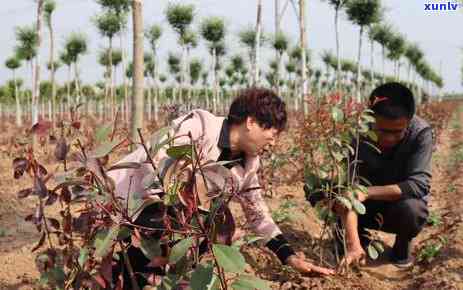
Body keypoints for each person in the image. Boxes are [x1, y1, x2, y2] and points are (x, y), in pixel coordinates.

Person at [109, 88, 334, 288]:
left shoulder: (248, 164)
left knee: (211, 224)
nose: (273, 143)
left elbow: (258, 214)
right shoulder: (200, 127)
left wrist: (290, 257)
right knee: (187, 225)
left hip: (173, 221)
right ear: (251, 122)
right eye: (272, 135)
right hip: (127, 202)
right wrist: (180, 211)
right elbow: (157, 165)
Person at [337, 82, 432, 268]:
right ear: (370, 119)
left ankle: (402, 244)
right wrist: (353, 245)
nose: (388, 138)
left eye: (397, 132)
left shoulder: (420, 133)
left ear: (409, 120)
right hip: (363, 209)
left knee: (413, 210)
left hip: (398, 208)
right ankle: (359, 236)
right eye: (382, 131)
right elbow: (347, 192)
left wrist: (368, 191)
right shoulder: (357, 134)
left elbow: (419, 184)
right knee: (330, 195)